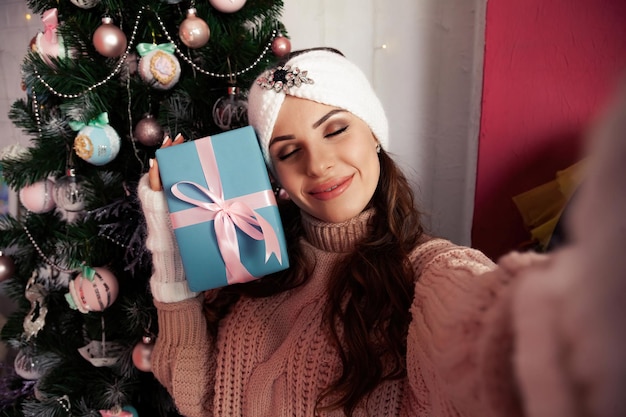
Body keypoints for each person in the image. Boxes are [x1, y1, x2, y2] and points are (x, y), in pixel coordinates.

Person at [138, 48, 626, 417]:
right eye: (288, 152)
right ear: (276, 177)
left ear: (373, 132)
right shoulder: (252, 268)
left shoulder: (427, 272)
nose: (320, 163)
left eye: (335, 130)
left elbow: (493, 329)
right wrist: (174, 258)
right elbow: (196, 398)